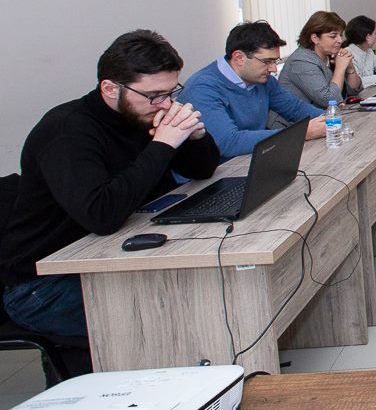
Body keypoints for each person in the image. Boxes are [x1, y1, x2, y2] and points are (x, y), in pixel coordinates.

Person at [2, 30, 220, 337]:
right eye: (155, 95)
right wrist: (163, 145)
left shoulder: (140, 114)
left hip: (110, 257)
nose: (166, 104)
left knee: (210, 289)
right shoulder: (67, 131)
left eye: (172, 92)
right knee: (183, 313)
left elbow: (202, 170)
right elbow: (102, 215)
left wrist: (195, 136)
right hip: (43, 286)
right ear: (110, 88)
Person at [180, 21, 326, 160]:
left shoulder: (263, 80)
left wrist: (331, 118)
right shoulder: (202, 88)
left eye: (275, 61)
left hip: (254, 158)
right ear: (239, 57)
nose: (273, 69)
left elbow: (295, 108)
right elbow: (228, 143)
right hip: (218, 171)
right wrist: (302, 133)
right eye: (267, 61)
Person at [278, 11, 362, 108]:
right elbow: (329, 100)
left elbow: (354, 92)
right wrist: (340, 68)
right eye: (333, 36)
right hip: (299, 117)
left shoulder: (330, 55)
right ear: (315, 38)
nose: (340, 40)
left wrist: (350, 68)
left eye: (340, 35)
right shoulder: (301, 61)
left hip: (327, 114)